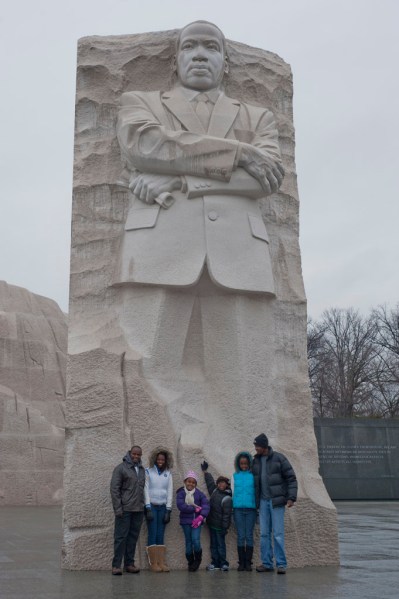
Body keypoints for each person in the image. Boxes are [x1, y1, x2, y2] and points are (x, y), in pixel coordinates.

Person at [114, 20, 285, 469]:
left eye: (212, 47)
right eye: (190, 46)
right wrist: (238, 154)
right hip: (157, 252)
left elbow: (266, 178)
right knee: (148, 370)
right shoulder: (140, 103)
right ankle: (165, 468)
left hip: (239, 258)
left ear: (226, 62)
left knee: (241, 384)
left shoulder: (257, 117)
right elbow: (144, 145)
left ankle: (234, 477)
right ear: (176, 59)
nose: (200, 54)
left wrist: (181, 177)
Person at [252, 433, 297, 574]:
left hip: (276, 502)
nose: (256, 448)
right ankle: (267, 563)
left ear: (264, 446)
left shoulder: (279, 458)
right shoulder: (256, 461)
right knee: (264, 534)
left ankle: (281, 564)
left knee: (278, 534)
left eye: (257, 446)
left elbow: (291, 478)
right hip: (263, 502)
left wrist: (291, 497)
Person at [110, 445, 146, 575]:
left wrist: (144, 507)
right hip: (124, 510)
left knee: (133, 538)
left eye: (139, 455)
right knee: (120, 537)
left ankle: (129, 564)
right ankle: (116, 565)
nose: (136, 456)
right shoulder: (120, 468)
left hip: (138, 509)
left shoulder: (142, 470)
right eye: (134, 454)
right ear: (130, 453)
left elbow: (142, 490)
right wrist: (118, 509)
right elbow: (114, 490)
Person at [144, 447, 173, 572]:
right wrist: (148, 507)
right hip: (152, 507)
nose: (161, 460)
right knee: (153, 533)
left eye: (163, 459)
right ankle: (153, 563)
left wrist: (168, 510)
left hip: (162, 508)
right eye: (159, 458)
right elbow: (145, 489)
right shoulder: (148, 471)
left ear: (166, 460)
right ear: (155, 459)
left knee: (161, 534)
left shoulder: (168, 473)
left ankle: (161, 562)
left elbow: (170, 491)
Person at [200, 461, 232, 571]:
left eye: (223, 483)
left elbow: (227, 515)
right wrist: (205, 471)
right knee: (213, 545)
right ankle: (215, 562)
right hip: (212, 524)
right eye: (219, 483)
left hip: (220, 527)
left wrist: (225, 527)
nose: (221, 485)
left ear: (227, 485)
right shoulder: (214, 491)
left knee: (220, 545)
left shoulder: (227, 497)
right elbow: (210, 483)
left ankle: (223, 563)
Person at [176, 470, 210, 571]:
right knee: (188, 542)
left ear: (195, 484)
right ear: (185, 482)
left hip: (197, 522)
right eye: (189, 481)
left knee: (195, 540)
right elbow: (181, 506)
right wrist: (194, 509)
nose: (191, 484)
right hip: (185, 522)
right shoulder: (181, 493)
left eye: (193, 482)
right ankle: (190, 562)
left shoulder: (199, 494)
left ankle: (198, 560)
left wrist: (201, 517)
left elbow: (206, 506)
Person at [232, 451, 257, 571]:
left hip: (251, 509)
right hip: (238, 509)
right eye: (242, 463)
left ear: (249, 463)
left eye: (246, 463)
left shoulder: (253, 475)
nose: (244, 465)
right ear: (238, 464)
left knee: (249, 536)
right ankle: (241, 563)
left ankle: (248, 563)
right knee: (241, 536)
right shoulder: (234, 476)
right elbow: (232, 492)